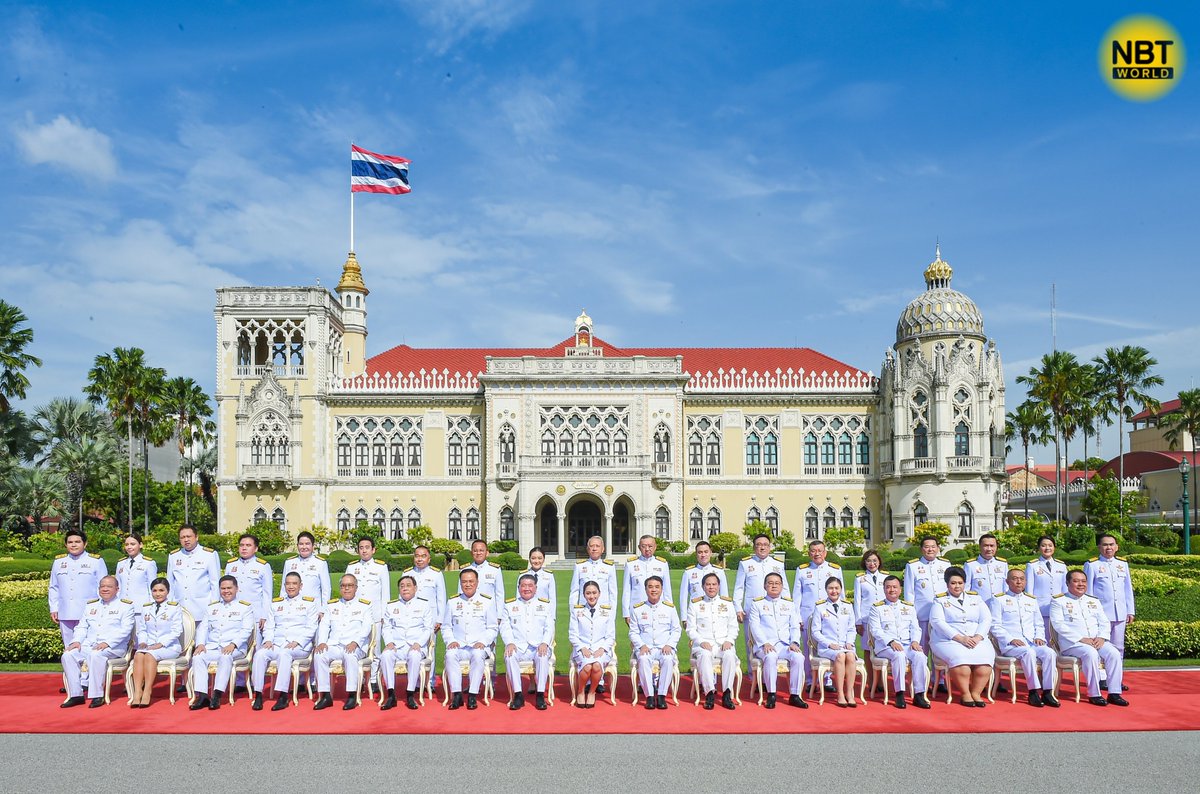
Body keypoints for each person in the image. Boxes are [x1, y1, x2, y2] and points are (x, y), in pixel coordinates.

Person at [1051, 570, 1128, 706]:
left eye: (1083, 581)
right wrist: (1081, 638)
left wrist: (1102, 637)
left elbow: (1104, 621)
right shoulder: (1059, 601)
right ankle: (1094, 694)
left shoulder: (1093, 601)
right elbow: (1058, 624)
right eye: (1076, 581)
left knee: (1114, 653)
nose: (1081, 584)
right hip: (1073, 644)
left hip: (1096, 641)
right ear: (1068, 583)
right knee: (1090, 653)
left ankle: (1114, 693)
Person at [60, 575, 134, 708]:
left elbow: (125, 630)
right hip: (91, 645)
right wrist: (76, 641)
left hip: (113, 647)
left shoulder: (125, 606)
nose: (105, 589)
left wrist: (108, 643)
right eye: (102, 586)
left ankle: (97, 695)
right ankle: (76, 694)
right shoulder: (91, 606)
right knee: (68, 655)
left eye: (109, 586)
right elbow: (82, 626)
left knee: (96, 655)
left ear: (117, 589)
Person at [990, 569, 1059, 707]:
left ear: (1025, 581)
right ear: (1007, 582)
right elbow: (994, 625)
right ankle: (1033, 692)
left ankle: (1047, 692)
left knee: (1050, 652)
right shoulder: (999, 600)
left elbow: (1038, 623)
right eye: (1015, 578)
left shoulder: (1031, 600)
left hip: (1031, 642)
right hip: (1011, 645)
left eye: (1022, 579)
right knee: (1029, 652)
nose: (1019, 581)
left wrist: (1040, 637)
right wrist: (1010, 639)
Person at [251, 571, 319, 712]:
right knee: (259, 654)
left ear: (301, 586)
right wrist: (268, 640)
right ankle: (258, 694)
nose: (291, 586)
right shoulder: (276, 603)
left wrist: (298, 642)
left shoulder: (309, 603)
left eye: (294, 583)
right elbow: (270, 625)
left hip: (300, 646)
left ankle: (282, 696)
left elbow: (311, 627)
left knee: (285, 654)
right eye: (288, 583)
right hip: (278, 643)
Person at [929, 566, 995, 707]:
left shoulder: (976, 598)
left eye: (960, 583)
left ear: (964, 583)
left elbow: (986, 619)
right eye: (953, 583)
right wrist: (960, 638)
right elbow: (937, 622)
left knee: (985, 660)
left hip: (975, 639)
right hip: (948, 640)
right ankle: (965, 694)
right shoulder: (940, 600)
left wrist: (978, 637)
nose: (957, 586)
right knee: (960, 660)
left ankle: (976, 693)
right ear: (947, 584)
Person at [188, 575, 254, 711]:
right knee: (198, 657)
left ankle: (217, 695)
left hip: (235, 649)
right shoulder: (212, 608)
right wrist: (200, 644)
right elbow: (203, 628)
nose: (226, 591)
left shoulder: (244, 608)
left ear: (236, 589)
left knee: (225, 657)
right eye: (223, 588)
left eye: (229, 588)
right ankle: (203, 695)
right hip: (213, 647)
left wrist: (233, 644)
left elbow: (247, 630)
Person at [867, 575, 931, 709]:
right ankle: (900, 693)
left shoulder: (908, 607)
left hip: (907, 644)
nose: (892, 590)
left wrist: (915, 641)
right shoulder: (876, 608)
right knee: (899, 655)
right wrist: (890, 642)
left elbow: (915, 627)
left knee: (920, 656)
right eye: (888, 587)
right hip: (886, 646)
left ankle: (919, 694)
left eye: (895, 587)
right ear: (884, 589)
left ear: (900, 589)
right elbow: (875, 630)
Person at [313, 574, 374, 711]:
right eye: (343, 586)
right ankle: (325, 695)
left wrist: (355, 642)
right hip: (335, 645)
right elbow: (324, 625)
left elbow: (366, 627)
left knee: (349, 654)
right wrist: (322, 642)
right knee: (319, 654)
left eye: (350, 586)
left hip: (355, 646)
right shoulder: (332, 605)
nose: (346, 589)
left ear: (356, 588)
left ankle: (352, 695)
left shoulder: (365, 606)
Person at [747, 571, 806, 709]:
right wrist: (764, 643)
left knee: (798, 657)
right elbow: (754, 627)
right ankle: (771, 694)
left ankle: (795, 695)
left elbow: (794, 626)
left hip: (784, 644)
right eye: (770, 583)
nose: (774, 586)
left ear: (782, 586)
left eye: (777, 583)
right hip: (765, 645)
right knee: (771, 656)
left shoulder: (789, 604)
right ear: (765, 586)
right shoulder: (757, 604)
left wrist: (794, 642)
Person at [442, 569, 499, 710]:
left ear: (477, 583)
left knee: (478, 654)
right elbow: (446, 627)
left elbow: (492, 627)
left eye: (471, 581)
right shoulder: (453, 601)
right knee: (450, 655)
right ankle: (457, 694)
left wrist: (483, 642)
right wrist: (450, 641)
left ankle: (472, 694)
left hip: (478, 645)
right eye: (464, 582)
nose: (468, 584)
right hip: (459, 645)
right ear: (460, 583)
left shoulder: (487, 601)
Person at [1084, 533, 1135, 692]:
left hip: (1119, 613)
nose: (1109, 548)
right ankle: (1101, 679)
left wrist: (1130, 610)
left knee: (1118, 648)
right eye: (1105, 545)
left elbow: (1127, 589)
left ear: (1117, 547)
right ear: (1099, 547)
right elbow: (1088, 591)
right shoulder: (1092, 565)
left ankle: (1116, 680)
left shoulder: (1122, 564)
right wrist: (1090, 613)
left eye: (1112, 544)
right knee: (1099, 647)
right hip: (1101, 615)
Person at [379, 575, 436, 711]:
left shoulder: (424, 605)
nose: (405, 588)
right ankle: (391, 694)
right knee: (385, 655)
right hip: (397, 646)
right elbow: (386, 627)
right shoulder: (391, 606)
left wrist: (419, 643)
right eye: (402, 586)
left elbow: (428, 628)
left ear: (415, 588)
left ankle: (410, 693)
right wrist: (389, 642)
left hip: (415, 645)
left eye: (408, 585)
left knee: (415, 656)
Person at [733, 534, 787, 672]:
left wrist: (787, 607)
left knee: (775, 642)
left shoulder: (777, 564)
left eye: (765, 545)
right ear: (754, 547)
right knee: (752, 644)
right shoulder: (746, 564)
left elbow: (784, 587)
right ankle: (754, 678)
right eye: (759, 544)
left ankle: (771, 675)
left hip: (774, 610)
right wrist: (738, 608)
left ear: (769, 547)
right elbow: (739, 587)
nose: (762, 547)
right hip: (752, 611)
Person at [501, 573, 555, 710]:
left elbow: (549, 627)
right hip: (519, 646)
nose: (527, 588)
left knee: (543, 656)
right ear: (518, 588)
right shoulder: (510, 605)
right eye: (523, 586)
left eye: (530, 586)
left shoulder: (545, 605)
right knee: (509, 655)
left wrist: (545, 642)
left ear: (536, 588)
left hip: (538, 645)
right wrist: (510, 642)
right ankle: (518, 695)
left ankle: (540, 694)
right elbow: (505, 627)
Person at [128, 576, 184, 708]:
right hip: (149, 645)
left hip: (169, 647)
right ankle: (137, 692)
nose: (158, 594)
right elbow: (142, 629)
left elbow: (177, 630)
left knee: (149, 655)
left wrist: (161, 644)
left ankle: (147, 691)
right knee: (138, 654)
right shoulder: (147, 607)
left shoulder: (174, 608)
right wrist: (142, 642)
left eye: (161, 590)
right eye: (154, 590)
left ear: (167, 592)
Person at [49, 529, 108, 650]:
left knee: (87, 646)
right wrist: (54, 608)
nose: (73, 545)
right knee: (69, 646)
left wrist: (102, 608)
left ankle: (86, 669)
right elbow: (54, 587)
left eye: (77, 541)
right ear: (66, 544)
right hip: (65, 611)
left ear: (85, 544)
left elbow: (103, 587)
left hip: (88, 612)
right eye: (70, 542)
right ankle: (70, 669)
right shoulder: (59, 562)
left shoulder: (95, 561)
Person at [792, 539, 841, 688]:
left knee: (827, 646)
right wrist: (797, 617)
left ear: (825, 553)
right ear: (809, 553)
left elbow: (841, 593)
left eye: (820, 551)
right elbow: (797, 596)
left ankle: (827, 680)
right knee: (808, 649)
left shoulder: (834, 570)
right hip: (808, 615)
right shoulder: (802, 570)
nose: (817, 554)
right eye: (813, 551)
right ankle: (809, 681)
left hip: (829, 616)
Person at [628, 575, 681, 710]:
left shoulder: (669, 608)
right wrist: (641, 645)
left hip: (664, 647)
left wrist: (669, 644)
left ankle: (662, 695)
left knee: (668, 659)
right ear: (645, 590)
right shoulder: (637, 609)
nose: (654, 590)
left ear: (662, 589)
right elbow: (633, 632)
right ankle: (649, 696)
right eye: (650, 587)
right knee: (644, 659)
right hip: (646, 647)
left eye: (657, 587)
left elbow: (676, 630)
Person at [687, 572, 738, 710]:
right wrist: (700, 640)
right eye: (708, 584)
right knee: (704, 655)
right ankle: (709, 692)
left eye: (714, 584)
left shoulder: (727, 603)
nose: (711, 587)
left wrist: (729, 640)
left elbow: (734, 626)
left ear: (719, 586)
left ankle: (727, 693)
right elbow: (690, 629)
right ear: (703, 586)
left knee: (729, 655)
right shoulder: (695, 604)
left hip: (723, 643)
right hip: (704, 643)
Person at [810, 576, 859, 707]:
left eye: (837, 588)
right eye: (831, 588)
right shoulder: (820, 607)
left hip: (845, 644)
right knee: (840, 656)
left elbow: (851, 628)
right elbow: (815, 631)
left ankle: (849, 693)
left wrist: (850, 642)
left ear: (841, 589)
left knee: (850, 655)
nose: (834, 591)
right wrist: (828, 643)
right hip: (827, 647)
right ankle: (840, 694)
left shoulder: (848, 606)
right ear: (826, 590)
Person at [168, 524, 221, 640]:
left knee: (201, 646)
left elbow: (215, 583)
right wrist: (170, 606)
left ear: (196, 537)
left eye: (189, 536)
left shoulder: (209, 555)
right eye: (182, 537)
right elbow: (170, 584)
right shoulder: (173, 556)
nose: (186, 540)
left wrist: (214, 608)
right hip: (180, 610)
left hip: (202, 610)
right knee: (182, 647)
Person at [568, 581, 616, 708]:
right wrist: (582, 648)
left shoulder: (607, 611)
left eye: (594, 593)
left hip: (601, 648)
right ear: (584, 595)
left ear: (599, 594)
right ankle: (580, 691)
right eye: (588, 593)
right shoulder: (577, 611)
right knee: (588, 666)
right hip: (582, 647)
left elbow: (610, 636)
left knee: (596, 665)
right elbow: (573, 634)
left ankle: (592, 692)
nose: (591, 596)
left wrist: (603, 648)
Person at [903, 536, 951, 647]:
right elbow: (909, 593)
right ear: (921, 549)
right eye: (927, 547)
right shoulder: (912, 566)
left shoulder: (945, 564)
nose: (930, 550)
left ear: (938, 548)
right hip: (922, 614)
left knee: (941, 648)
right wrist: (911, 615)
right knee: (922, 647)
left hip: (943, 615)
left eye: (933, 547)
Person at [224, 533, 274, 633]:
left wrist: (264, 616)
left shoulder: (263, 566)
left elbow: (267, 594)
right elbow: (225, 590)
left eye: (248, 545)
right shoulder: (231, 565)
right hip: (233, 615)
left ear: (255, 549)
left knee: (255, 646)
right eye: (241, 545)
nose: (244, 548)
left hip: (255, 615)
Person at [1024, 535, 1068, 639]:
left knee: (1059, 639)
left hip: (1059, 609)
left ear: (1054, 547)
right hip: (1040, 609)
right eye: (1043, 545)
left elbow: (1065, 589)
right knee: (1043, 638)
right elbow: (1029, 591)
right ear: (1039, 548)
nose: (1047, 548)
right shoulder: (1032, 565)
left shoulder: (1061, 565)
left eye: (1050, 545)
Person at [678, 541, 728, 625]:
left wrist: (725, 614)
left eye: (706, 552)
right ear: (696, 554)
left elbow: (724, 595)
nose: (703, 555)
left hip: (714, 613)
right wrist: (684, 618)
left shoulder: (719, 571)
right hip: (695, 614)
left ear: (710, 553)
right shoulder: (689, 572)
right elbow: (683, 596)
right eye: (700, 552)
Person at [623, 535, 670, 625]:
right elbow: (627, 590)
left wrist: (669, 608)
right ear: (639, 548)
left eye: (650, 546)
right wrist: (626, 613)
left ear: (655, 547)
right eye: (643, 546)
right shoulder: (631, 564)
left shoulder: (662, 564)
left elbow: (667, 590)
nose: (647, 549)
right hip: (637, 608)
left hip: (658, 608)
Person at [281, 531, 331, 614]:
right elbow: (283, 588)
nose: (304, 547)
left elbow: (326, 589)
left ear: (313, 546)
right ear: (297, 546)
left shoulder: (320, 563)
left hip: (313, 610)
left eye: (307, 544)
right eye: (301, 544)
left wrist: (323, 610)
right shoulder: (289, 562)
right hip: (292, 609)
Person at [346, 535, 390, 623]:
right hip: (355, 614)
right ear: (358, 551)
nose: (364, 551)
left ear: (373, 550)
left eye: (367, 547)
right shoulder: (351, 567)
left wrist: (384, 615)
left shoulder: (381, 567)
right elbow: (346, 590)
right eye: (361, 548)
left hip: (374, 614)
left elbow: (385, 593)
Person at [569, 535, 618, 611]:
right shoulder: (579, 566)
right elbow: (574, 592)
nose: (594, 549)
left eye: (597, 546)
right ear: (588, 549)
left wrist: (612, 614)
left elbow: (613, 593)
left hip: (603, 611)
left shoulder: (609, 567)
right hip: (584, 610)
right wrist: (573, 612)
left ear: (602, 549)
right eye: (591, 546)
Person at [404, 544, 447, 629]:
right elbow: (402, 595)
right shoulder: (407, 574)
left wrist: (440, 619)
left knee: (430, 641)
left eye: (423, 556)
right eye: (417, 556)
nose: (420, 559)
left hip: (430, 615)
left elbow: (441, 598)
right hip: (411, 615)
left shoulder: (436, 574)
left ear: (429, 559)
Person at [115, 534, 157, 617]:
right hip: (122, 609)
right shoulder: (121, 563)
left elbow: (152, 588)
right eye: (127, 545)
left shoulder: (148, 563)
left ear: (140, 545)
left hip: (140, 609)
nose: (129, 547)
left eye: (133, 544)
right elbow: (118, 587)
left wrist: (151, 608)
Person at [963, 533, 1008, 605]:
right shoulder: (970, 565)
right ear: (980, 547)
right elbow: (965, 589)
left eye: (992, 546)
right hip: (979, 606)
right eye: (986, 546)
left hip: (999, 605)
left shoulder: (1003, 564)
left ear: (996, 547)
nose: (989, 549)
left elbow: (1006, 588)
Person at [457, 539, 505, 604]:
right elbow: (460, 593)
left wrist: (499, 614)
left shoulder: (495, 570)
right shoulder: (464, 570)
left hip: (489, 609)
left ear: (487, 553)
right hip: (470, 608)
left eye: (481, 550)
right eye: (475, 551)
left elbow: (500, 595)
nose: (478, 553)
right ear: (471, 553)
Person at [853, 549, 889, 636]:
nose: (872, 564)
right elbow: (857, 601)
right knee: (868, 647)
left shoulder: (886, 577)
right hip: (866, 617)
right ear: (864, 563)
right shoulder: (859, 579)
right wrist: (858, 622)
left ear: (879, 562)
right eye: (868, 561)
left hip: (884, 616)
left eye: (874, 560)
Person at [521, 547, 557, 611]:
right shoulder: (522, 575)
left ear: (544, 559)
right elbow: (519, 597)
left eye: (540, 558)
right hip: (527, 611)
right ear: (529, 559)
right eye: (533, 558)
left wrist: (552, 618)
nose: (537, 561)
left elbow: (552, 599)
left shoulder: (549, 576)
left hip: (543, 611)